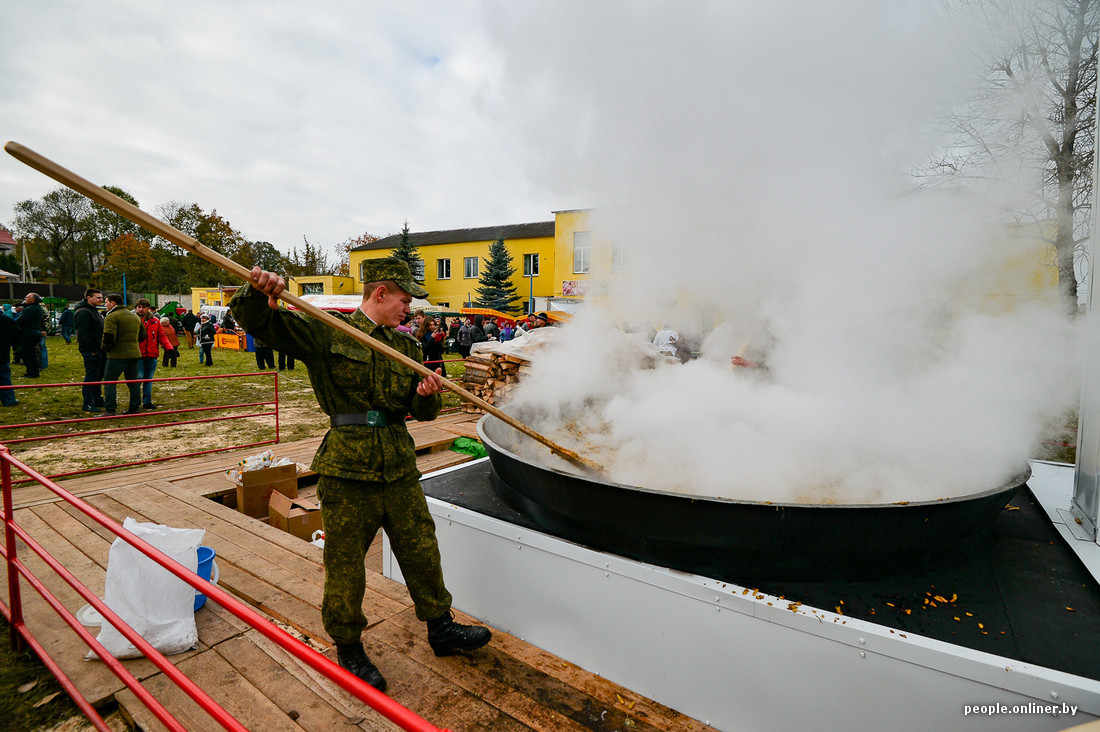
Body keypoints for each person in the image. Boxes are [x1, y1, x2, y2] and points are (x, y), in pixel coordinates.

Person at [229, 256, 491, 692]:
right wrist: (259, 291)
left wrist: (427, 395)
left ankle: (440, 627)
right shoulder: (326, 329)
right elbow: (261, 323)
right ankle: (348, 646)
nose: (410, 310)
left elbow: (422, 412)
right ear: (381, 293)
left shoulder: (406, 347)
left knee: (422, 550)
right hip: (348, 468)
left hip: (398, 465)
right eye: (405, 300)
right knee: (347, 564)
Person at [100, 294, 142, 416]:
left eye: (107, 302)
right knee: (133, 381)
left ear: (113, 303)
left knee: (109, 381)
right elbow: (143, 335)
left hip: (117, 355)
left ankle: (110, 409)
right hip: (134, 353)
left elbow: (109, 337)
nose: (105, 305)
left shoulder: (112, 317)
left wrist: (104, 349)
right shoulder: (134, 317)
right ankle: (134, 407)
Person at [134, 299, 173, 409]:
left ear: (148, 308)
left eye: (144, 307)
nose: (141, 309)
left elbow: (161, 336)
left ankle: (147, 401)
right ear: (136, 308)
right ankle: (135, 402)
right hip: (138, 354)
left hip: (152, 354)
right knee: (138, 378)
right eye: (139, 307)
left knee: (149, 379)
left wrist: (169, 348)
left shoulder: (155, 321)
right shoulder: (133, 320)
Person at [74, 288, 106, 412]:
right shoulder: (83, 312)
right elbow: (83, 334)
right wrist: (93, 349)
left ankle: (97, 398)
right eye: (98, 297)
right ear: (89, 298)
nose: (101, 300)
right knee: (91, 375)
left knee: (98, 375)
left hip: (99, 348)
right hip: (91, 349)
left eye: (102, 297)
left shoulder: (94, 311)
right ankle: (87, 402)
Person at [16, 293, 45, 378]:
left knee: (28, 353)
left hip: (28, 333)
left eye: (27, 297)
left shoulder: (30, 309)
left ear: (33, 299)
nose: (25, 298)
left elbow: (20, 320)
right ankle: (32, 371)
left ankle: (32, 372)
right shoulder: (37, 308)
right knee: (31, 353)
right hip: (34, 333)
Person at [0, 310, 19, 406]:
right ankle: (8, 400)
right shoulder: (6, 319)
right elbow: (17, 333)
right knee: (4, 377)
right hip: (2, 352)